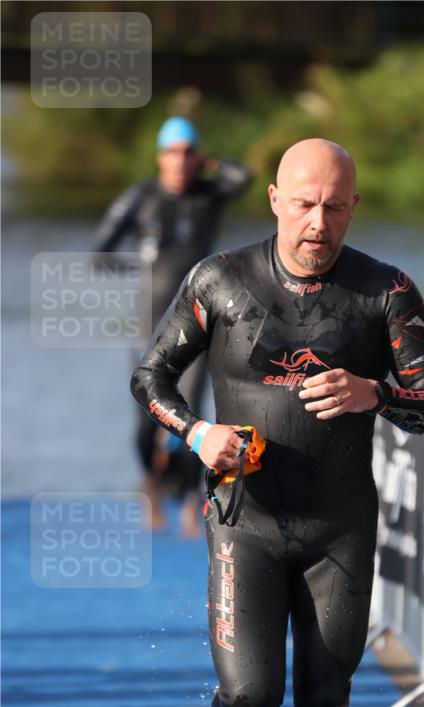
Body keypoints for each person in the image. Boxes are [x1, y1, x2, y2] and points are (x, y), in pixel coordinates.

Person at [130, 138, 424, 707]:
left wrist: (377, 392)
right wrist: (197, 432)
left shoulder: (386, 292)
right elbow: (150, 376)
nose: (318, 223)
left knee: (326, 696)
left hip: (338, 529)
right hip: (246, 519)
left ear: (353, 207)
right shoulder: (221, 281)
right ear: (274, 198)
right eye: (304, 204)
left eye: (334, 207)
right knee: (254, 695)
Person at [94, 116, 252, 534]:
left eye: (188, 154)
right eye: (173, 153)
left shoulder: (208, 194)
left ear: (196, 157)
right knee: (149, 418)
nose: (180, 162)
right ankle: (150, 479)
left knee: (192, 412)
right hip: (149, 322)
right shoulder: (142, 197)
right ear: (160, 157)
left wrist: (212, 163)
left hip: (198, 325)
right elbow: (100, 250)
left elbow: (245, 176)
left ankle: (187, 497)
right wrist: (137, 269)